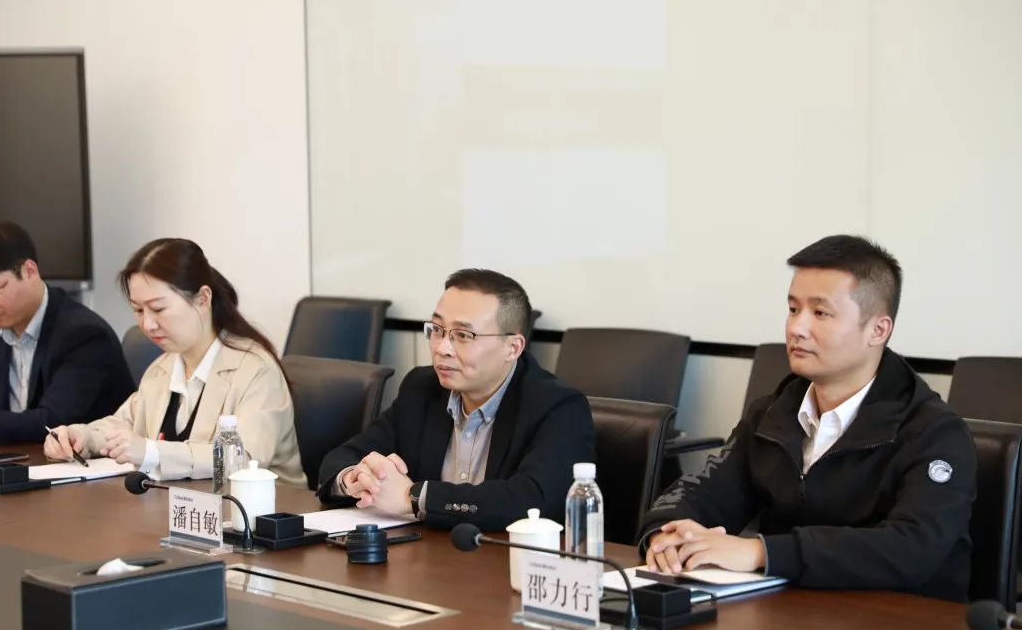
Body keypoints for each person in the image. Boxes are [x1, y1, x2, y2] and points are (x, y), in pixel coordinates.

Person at [639, 235, 975, 601]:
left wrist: (761, 553)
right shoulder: (772, 412)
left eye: (820, 313)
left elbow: (912, 548)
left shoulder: (935, 432)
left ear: (878, 330)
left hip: (902, 624)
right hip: (790, 615)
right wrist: (667, 535)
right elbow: (707, 491)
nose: (797, 328)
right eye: (793, 308)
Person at [317, 269, 594, 530]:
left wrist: (413, 497)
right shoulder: (421, 388)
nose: (442, 348)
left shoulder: (558, 407)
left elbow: (533, 500)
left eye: (463, 335)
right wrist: (356, 478)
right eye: (437, 329)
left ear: (513, 347)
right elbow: (342, 457)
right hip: (428, 555)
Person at [43, 238, 303, 486]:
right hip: (184, 508)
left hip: (263, 510)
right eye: (138, 310)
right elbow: (124, 424)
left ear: (203, 299)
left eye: (158, 309)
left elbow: (244, 459)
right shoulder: (162, 368)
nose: (147, 324)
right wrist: (80, 437)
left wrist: (153, 452)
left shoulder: (256, 369)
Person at [0, 222, 133, 446]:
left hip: (86, 462)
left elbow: (53, 421)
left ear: (29, 271)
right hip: (17, 460)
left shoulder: (84, 335)